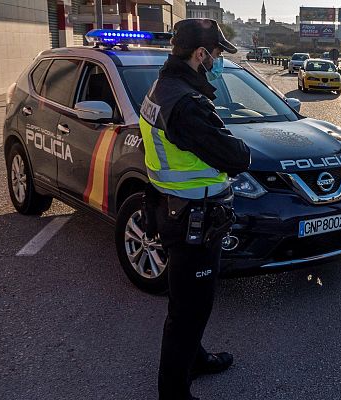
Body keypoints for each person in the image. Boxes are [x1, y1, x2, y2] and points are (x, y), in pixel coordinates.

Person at [138, 18, 251, 400]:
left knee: (186, 302)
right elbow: (236, 157)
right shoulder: (185, 105)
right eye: (217, 55)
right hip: (192, 219)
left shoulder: (163, 87)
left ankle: (195, 359)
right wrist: (234, 143)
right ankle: (174, 392)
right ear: (201, 54)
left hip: (174, 211)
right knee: (190, 311)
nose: (218, 62)